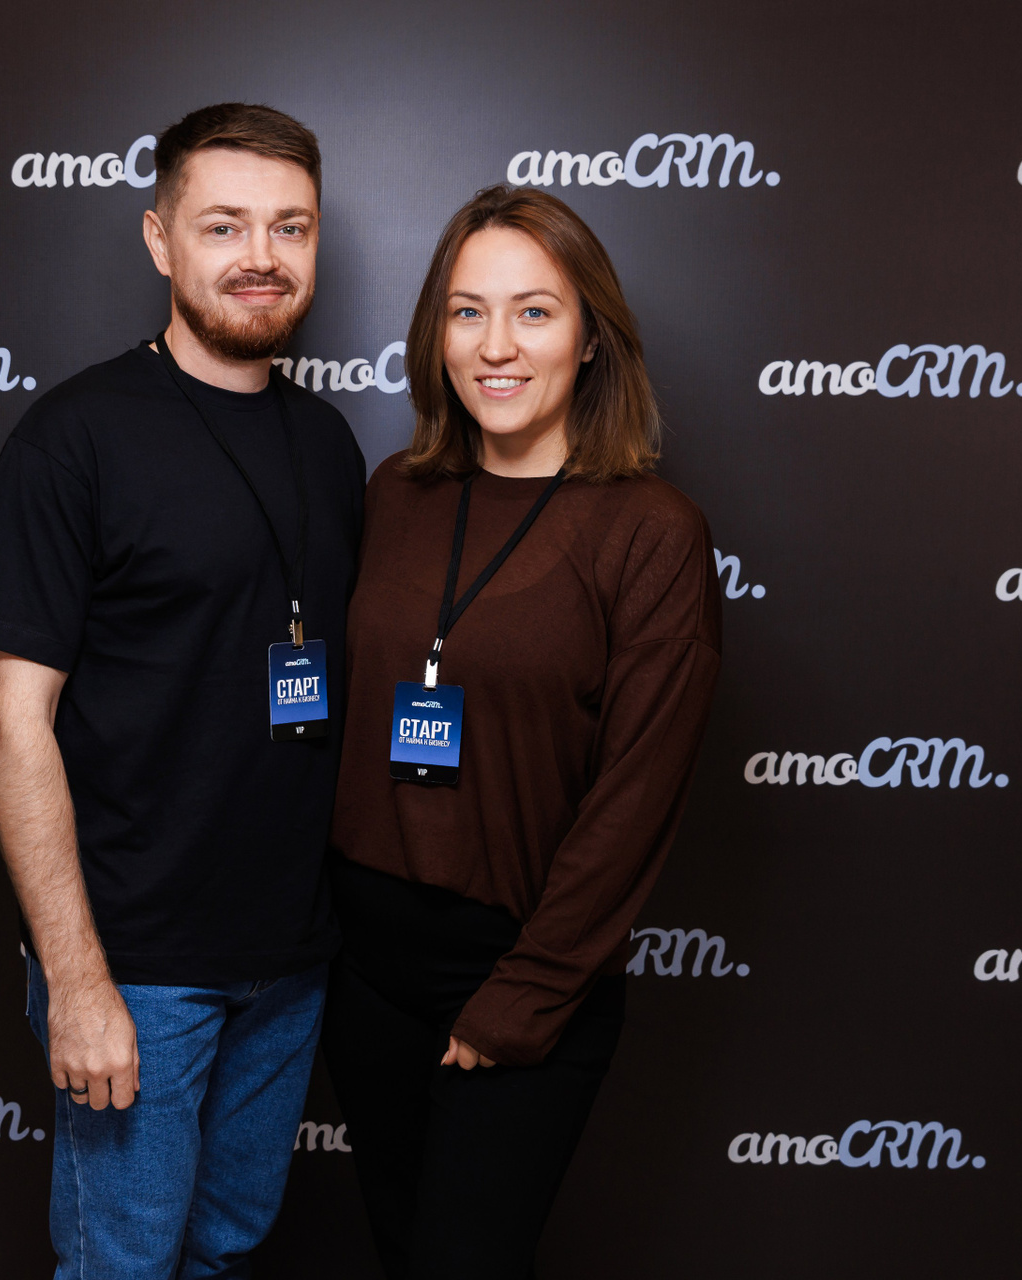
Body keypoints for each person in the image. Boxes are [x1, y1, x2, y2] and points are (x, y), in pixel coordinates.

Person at [0, 103, 365, 1279]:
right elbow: (12, 719)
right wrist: (78, 981)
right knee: (121, 1267)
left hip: (289, 958)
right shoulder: (72, 438)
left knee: (224, 1252)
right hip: (136, 963)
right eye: (223, 225)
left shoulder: (329, 443)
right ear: (159, 238)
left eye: (291, 227)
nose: (261, 256)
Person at [323, 185, 723, 1279]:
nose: (495, 346)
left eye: (534, 312)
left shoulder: (653, 533)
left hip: (515, 970)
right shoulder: (397, 492)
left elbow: (635, 799)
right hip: (363, 970)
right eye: (468, 311)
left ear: (591, 338)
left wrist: (524, 995)